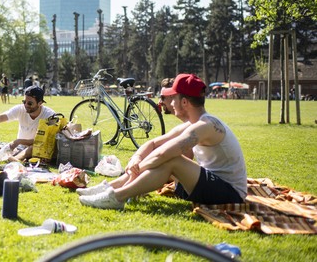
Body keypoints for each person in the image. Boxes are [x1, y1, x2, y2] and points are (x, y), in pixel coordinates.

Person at [77, 73, 247, 210]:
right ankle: (112, 187)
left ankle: (117, 196)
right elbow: (154, 144)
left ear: (185, 102)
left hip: (230, 194)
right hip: (210, 185)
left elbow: (164, 153)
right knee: (165, 159)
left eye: (173, 98)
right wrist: (136, 159)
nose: (170, 103)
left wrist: (135, 170)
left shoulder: (206, 126)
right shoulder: (195, 123)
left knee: (171, 160)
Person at [0, 86, 55, 161]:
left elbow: (42, 141)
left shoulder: (49, 116)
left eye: (30, 103)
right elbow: (0, 117)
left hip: (36, 148)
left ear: (40, 103)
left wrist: (19, 141)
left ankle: (14, 159)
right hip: (19, 147)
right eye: (24, 102)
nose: (26, 105)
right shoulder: (20, 109)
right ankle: (6, 156)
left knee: (32, 149)